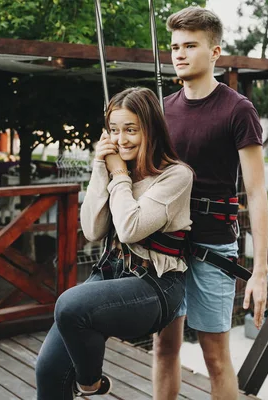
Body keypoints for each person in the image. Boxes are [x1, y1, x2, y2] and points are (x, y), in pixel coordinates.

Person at [35, 87, 193, 399]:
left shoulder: (175, 176)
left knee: (70, 305)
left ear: (151, 128)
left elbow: (131, 228)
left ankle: (90, 384)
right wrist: (99, 167)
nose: (121, 140)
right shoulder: (117, 166)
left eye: (131, 130)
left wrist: (119, 176)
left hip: (155, 286)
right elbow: (93, 230)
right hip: (111, 272)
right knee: (49, 370)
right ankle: (82, 380)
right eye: (114, 130)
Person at [152, 7, 268, 400]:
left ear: (215, 51)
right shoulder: (162, 109)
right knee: (163, 348)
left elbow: (256, 194)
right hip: (167, 245)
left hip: (213, 247)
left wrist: (260, 272)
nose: (179, 54)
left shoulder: (238, 110)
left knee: (215, 356)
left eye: (190, 46)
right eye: (174, 47)